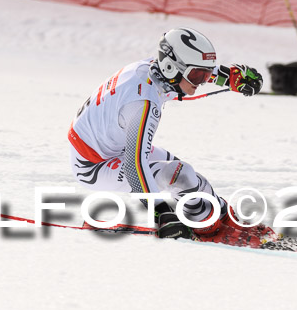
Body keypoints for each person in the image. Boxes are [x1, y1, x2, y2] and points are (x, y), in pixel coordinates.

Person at [67, 27, 274, 246]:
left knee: (190, 178)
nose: (201, 81)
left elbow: (186, 69)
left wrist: (229, 76)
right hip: (94, 165)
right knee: (180, 176)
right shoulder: (143, 104)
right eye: (197, 75)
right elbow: (134, 165)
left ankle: (226, 221)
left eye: (204, 74)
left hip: (110, 147)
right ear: (171, 67)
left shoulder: (156, 71)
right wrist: (161, 213)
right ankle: (208, 230)